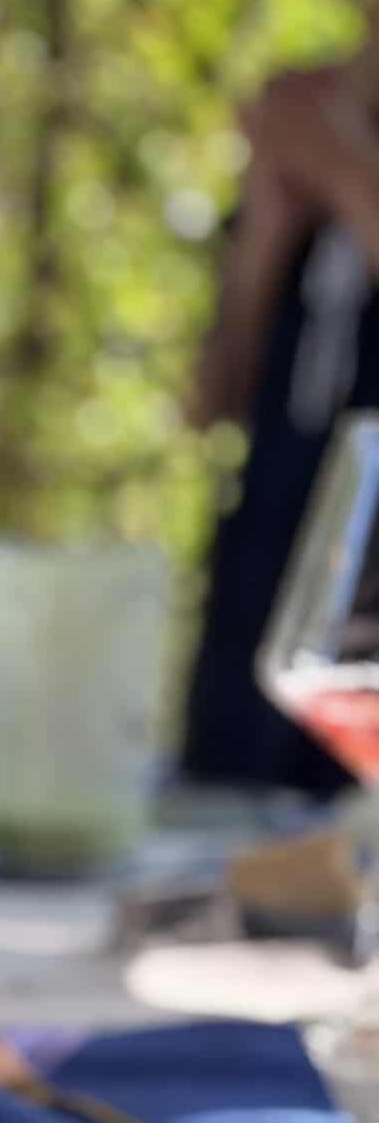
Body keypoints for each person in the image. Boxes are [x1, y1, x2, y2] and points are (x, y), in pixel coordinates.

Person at [184, 41, 379, 792]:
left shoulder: (324, 142)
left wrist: (342, 168)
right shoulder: (300, 130)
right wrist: (268, 219)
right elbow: (210, 403)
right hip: (268, 568)